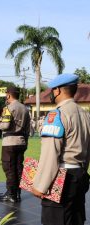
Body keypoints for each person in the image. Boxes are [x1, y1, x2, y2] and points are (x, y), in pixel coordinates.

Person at [31, 74, 90, 225]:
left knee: (55, 220)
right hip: (80, 174)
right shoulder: (85, 115)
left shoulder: (56, 115)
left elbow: (51, 153)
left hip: (61, 178)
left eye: (52, 90)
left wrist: (41, 185)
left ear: (57, 91)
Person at [0, 86, 30, 203]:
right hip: (21, 141)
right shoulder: (25, 108)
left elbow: (5, 126)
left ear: (8, 95)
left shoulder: (8, 108)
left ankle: (11, 194)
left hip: (10, 142)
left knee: (9, 168)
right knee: (18, 168)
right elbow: (29, 128)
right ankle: (17, 193)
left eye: (6, 95)